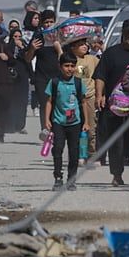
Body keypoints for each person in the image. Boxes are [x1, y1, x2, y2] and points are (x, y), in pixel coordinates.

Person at [95, 19, 129, 187]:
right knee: (116, 141)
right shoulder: (111, 53)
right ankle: (117, 174)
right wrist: (99, 95)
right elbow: (100, 75)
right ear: (123, 33)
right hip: (114, 105)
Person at [45, 53, 87, 190]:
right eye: (66, 66)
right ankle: (58, 177)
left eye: (72, 66)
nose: (69, 69)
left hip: (75, 123)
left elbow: (84, 102)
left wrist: (86, 122)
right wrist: (47, 119)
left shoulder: (78, 83)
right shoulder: (55, 82)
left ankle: (71, 179)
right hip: (58, 122)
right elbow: (49, 102)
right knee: (57, 149)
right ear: (60, 66)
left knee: (74, 152)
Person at [25, 9, 62, 134]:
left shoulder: (60, 37)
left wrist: (59, 48)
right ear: (41, 23)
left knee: (58, 104)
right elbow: (28, 58)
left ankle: (56, 130)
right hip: (42, 77)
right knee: (44, 103)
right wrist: (32, 48)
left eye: (51, 22)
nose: (48, 24)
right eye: (46, 22)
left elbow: (66, 59)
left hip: (58, 77)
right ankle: (45, 129)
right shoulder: (38, 37)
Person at [69, 37, 101, 158]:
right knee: (76, 127)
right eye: (80, 45)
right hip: (73, 98)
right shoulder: (70, 60)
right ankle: (79, 154)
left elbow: (102, 69)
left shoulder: (92, 59)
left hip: (89, 97)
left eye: (85, 44)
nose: (84, 46)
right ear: (73, 48)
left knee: (91, 128)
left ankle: (92, 152)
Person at [7, 27, 32, 133]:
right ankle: (11, 124)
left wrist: (22, 48)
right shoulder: (7, 47)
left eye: (19, 37)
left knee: (22, 101)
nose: (17, 39)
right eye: (15, 37)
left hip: (23, 77)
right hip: (10, 77)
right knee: (12, 101)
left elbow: (28, 61)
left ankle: (21, 125)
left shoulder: (24, 47)